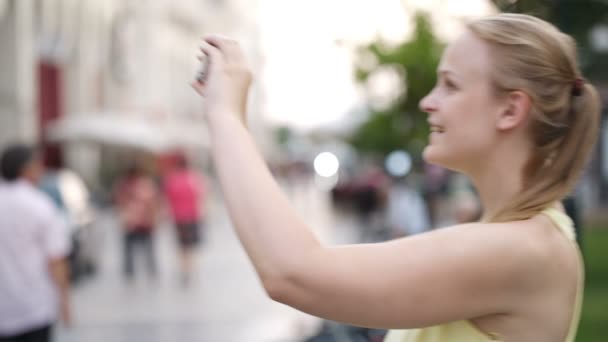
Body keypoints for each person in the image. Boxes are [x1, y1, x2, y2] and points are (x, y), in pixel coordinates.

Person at [192, 13, 600, 342]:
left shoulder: (523, 249)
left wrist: (225, 115)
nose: (428, 101)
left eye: (450, 85)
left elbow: (292, 272)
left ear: (511, 110)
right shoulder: (516, 235)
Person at [0, 144, 71, 342]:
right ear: (26, 168)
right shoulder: (40, 204)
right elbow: (56, 260)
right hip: (34, 306)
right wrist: (65, 304)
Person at [163, 154, 206, 286]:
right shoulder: (195, 179)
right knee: (190, 246)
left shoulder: (172, 179)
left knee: (182, 246)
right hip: (192, 216)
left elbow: (167, 199)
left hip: (178, 217)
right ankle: (189, 268)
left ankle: (183, 268)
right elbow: (201, 197)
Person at [113, 164, 159, 282]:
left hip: (131, 221)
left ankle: (130, 271)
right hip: (143, 221)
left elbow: (119, 202)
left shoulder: (123, 185)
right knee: (148, 248)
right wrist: (153, 217)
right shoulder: (145, 184)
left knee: (130, 249)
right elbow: (152, 202)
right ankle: (150, 269)